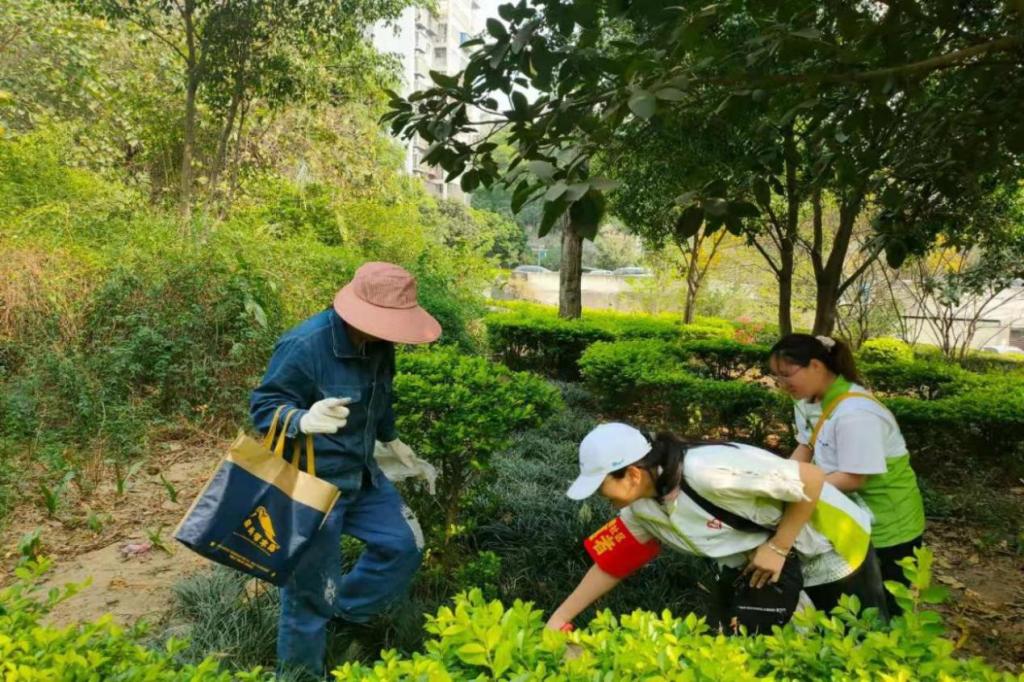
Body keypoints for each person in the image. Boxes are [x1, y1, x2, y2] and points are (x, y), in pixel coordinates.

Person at [250, 262, 441, 679]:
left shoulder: (379, 344)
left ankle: (342, 613)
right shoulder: (304, 344)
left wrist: (392, 439)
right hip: (312, 483)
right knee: (308, 591)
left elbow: (381, 398)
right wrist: (301, 418)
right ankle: (301, 672)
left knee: (403, 546)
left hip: (364, 476)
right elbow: (263, 407)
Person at [546, 423, 888, 634]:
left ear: (632, 474)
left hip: (831, 547)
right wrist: (558, 619)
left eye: (601, 486)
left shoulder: (709, 471)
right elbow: (612, 562)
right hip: (768, 567)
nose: (601, 497)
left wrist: (779, 546)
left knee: (853, 641)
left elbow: (810, 478)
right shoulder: (642, 507)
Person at [768, 333, 926, 615]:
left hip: (888, 527)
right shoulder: (807, 401)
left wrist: (796, 490)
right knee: (854, 607)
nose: (781, 383)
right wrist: (780, 479)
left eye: (787, 374)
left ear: (816, 366)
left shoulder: (856, 413)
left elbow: (853, 478)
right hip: (849, 517)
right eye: (776, 376)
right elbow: (807, 445)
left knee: (887, 608)